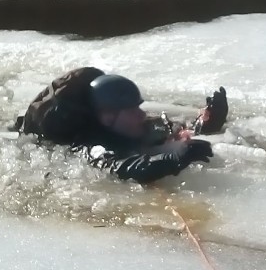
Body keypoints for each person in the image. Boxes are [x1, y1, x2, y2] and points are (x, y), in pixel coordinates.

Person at [17, 67, 228, 184]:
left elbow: (176, 130)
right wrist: (172, 159)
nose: (141, 114)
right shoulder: (92, 144)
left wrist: (208, 123)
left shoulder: (133, 125)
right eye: (132, 110)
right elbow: (121, 168)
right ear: (108, 117)